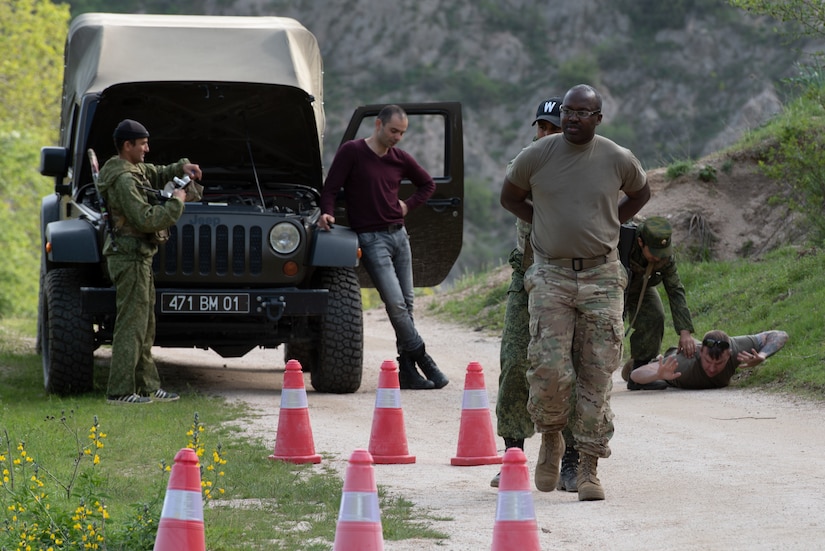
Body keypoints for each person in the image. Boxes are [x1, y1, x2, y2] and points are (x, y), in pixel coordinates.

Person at [500, 84, 651, 501]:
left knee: (597, 373)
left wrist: (612, 223)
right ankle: (551, 437)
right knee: (547, 367)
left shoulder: (616, 158)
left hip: (602, 276)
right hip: (551, 274)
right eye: (568, 111)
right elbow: (509, 197)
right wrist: (543, 221)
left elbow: (642, 192)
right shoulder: (537, 156)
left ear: (597, 118)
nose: (572, 118)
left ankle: (588, 466)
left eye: (582, 112)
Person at [318, 105, 449, 390]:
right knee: (396, 304)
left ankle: (407, 372)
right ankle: (424, 358)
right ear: (378, 125)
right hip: (371, 239)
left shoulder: (400, 158)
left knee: (408, 303)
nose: (398, 138)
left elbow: (427, 184)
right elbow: (330, 188)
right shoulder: (352, 152)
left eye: (402, 133)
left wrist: (407, 205)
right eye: (393, 131)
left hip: (400, 237)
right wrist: (326, 212)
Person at [492, 96, 578, 489]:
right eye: (541, 127)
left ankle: (573, 458)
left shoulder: (583, 168)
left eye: (553, 128)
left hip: (569, 280)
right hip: (526, 277)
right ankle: (513, 455)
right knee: (513, 362)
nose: (545, 134)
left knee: (570, 367)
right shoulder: (528, 163)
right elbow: (515, 182)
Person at [98, 119, 202, 404]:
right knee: (131, 325)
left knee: (145, 324)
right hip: (128, 256)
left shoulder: (132, 169)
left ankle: (146, 386)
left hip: (138, 256)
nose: (147, 148)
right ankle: (120, 391)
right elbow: (145, 219)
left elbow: (154, 171)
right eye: (142, 144)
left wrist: (180, 168)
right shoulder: (123, 180)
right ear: (127, 145)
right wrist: (176, 201)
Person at [622, 216, 696, 390]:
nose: (659, 258)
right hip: (611, 288)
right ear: (640, 242)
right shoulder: (622, 242)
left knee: (655, 315)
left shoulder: (664, 256)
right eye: (654, 253)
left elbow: (675, 289)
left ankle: (641, 373)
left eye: (661, 253)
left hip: (640, 288)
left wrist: (685, 332)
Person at [628, 329, 788, 389]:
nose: (712, 369)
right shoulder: (684, 363)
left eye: (719, 363)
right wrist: (658, 374)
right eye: (708, 362)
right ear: (700, 352)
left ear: (729, 354)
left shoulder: (737, 349)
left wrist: (762, 356)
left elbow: (780, 335)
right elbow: (635, 375)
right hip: (664, 362)